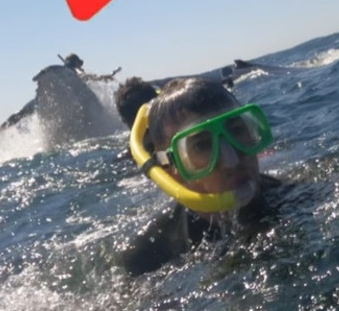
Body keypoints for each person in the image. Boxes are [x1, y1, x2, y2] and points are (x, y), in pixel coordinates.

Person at [118, 77, 285, 276]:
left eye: (237, 131)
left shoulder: (299, 195)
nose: (231, 160)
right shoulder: (146, 258)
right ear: (169, 169)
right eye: (202, 145)